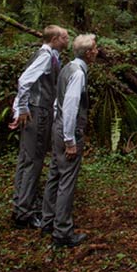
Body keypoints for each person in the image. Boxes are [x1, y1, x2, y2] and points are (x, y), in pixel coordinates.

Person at [41, 33, 98, 248]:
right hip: (68, 130)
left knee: (55, 174)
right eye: (95, 48)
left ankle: (48, 220)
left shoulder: (67, 67)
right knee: (67, 180)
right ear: (89, 52)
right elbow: (71, 106)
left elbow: (58, 102)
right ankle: (62, 231)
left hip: (59, 127)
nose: (97, 51)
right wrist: (70, 139)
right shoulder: (78, 74)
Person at [10, 24, 69, 228]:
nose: (67, 40)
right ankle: (23, 212)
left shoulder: (50, 55)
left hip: (40, 110)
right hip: (38, 112)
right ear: (54, 39)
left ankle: (22, 203)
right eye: (64, 37)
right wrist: (23, 109)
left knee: (28, 159)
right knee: (33, 160)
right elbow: (24, 81)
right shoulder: (44, 56)